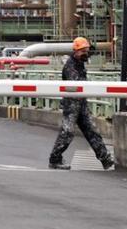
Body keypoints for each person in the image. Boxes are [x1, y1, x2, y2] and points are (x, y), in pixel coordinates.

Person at [49, 37, 114, 170]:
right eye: (83, 51)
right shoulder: (70, 66)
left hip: (81, 103)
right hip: (72, 104)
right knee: (67, 132)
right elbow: (77, 84)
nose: (86, 54)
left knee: (92, 130)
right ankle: (55, 159)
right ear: (76, 51)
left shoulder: (79, 63)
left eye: (87, 51)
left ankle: (105, 159)